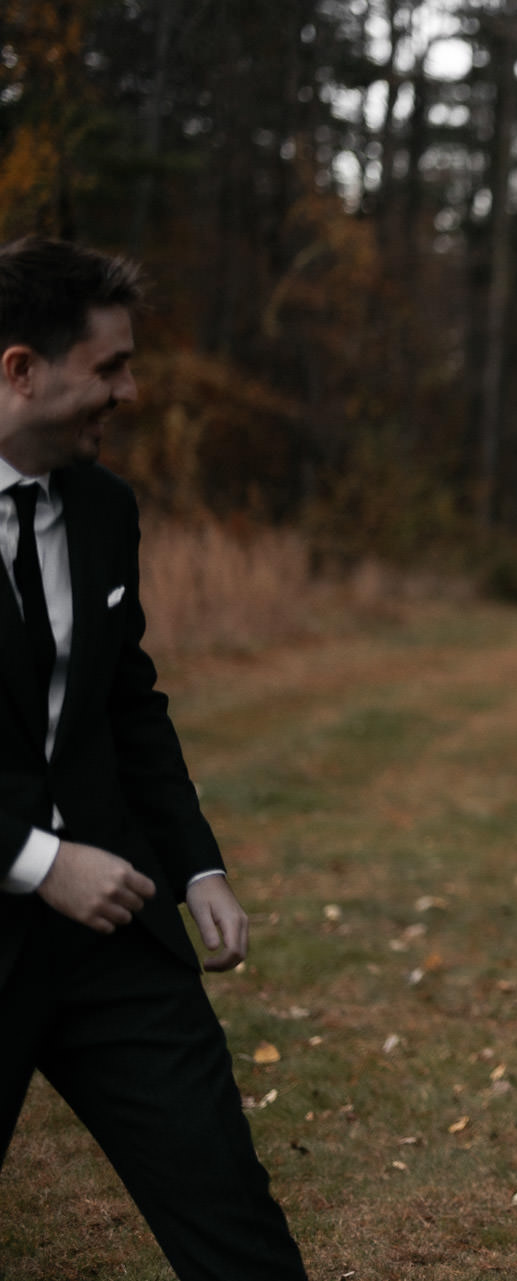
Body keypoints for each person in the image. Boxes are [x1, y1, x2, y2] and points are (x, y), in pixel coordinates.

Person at [0, 237, 307, 1279]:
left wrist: (197, 866)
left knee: (229, 1213)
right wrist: (40, 862)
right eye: (111, 368)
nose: (131, 392)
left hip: (115, 931)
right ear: (21, 371)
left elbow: (129, 706)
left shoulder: (102, 508)